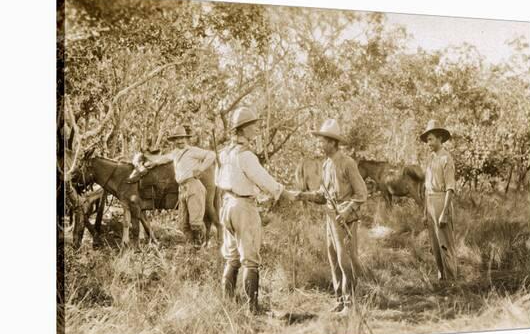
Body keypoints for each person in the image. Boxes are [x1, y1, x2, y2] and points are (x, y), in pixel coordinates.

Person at [216, 106, 297, 314]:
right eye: (252, 126)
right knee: (250, 259)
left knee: (231, 257)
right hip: (243, 206)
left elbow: (219, 180)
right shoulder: (246, 156)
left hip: (226, 205)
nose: (256, 130)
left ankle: (228, 306)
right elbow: (264, 180)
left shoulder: (225, 153)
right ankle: (252, 308)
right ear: (242, 130)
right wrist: (284, 193)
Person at [295, 119, 368, 316]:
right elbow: (323, 196)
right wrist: (302, 195)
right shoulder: (326, 164)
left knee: (346, 261)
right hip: (330, 218)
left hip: (345, 219)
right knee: (333, 259)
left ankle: (351, 303)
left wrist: (346, 211)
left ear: (333, 143)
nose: (320, 144)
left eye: (323, 141)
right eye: (319, 141)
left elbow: (362, 194)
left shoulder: (348, 163)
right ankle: (340, 300)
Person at [139, 126, 216, 247]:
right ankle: (191, 246)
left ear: (186, 138)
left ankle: (200, 246)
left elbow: (211, 155)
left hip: (193, 185)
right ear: (174, 141)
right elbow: (163, 159)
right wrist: (151, 162)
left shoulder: (193, 151)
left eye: (181, 138)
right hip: (182, 188)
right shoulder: (175, 153)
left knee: (195, 221)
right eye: (177, 139)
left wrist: (201, 169)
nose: (179, 141)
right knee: (183, 223)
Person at [420, 119, 458, 282]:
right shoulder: (430, 159)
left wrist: (444, 213)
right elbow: (427, 187)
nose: (428, 143)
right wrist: (424, 212)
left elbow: (450, 188)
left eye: (431, 139)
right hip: (430, 202)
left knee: (445, 244)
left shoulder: (446, 159)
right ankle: (441, 277)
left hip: (442, 201)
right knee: (435, 245)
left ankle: (452, 281)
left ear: (440, 139)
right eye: (427, 139)